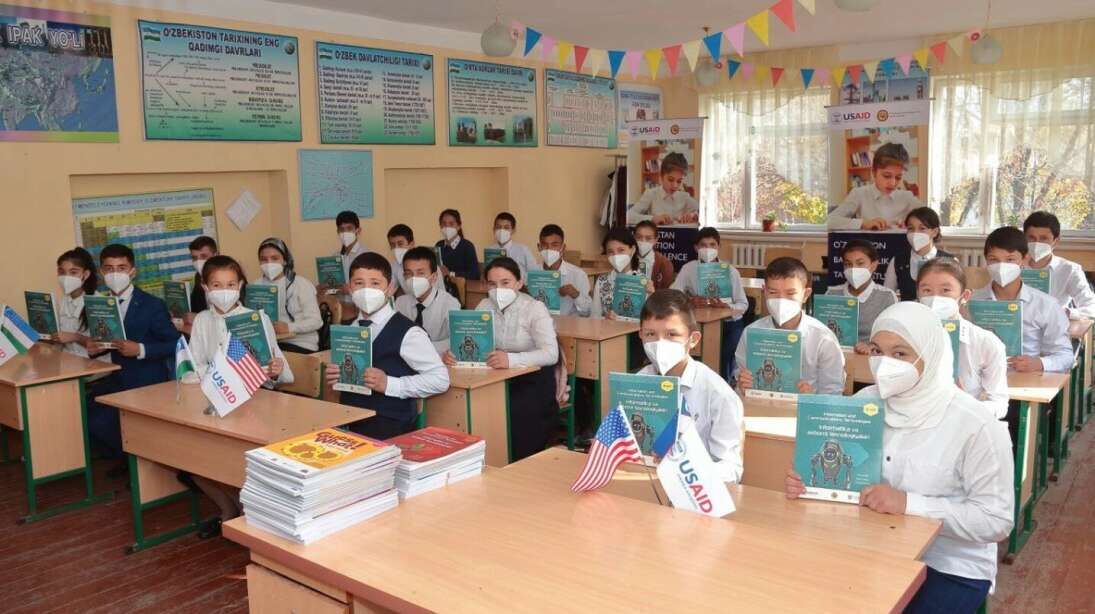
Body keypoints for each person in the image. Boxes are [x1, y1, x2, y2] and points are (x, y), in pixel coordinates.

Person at [785, 302, 1014, 614]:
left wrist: (909, 504)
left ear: (930, 354)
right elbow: (843, 473)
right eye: (877, 351)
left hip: (949, 565)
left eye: (900, 353)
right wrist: (808, 482)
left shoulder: (977, 425)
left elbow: (996, 520)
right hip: (867, 546)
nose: (884, 363)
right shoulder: (863, 405)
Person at [184, 254, 292, 536]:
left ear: (241, 285)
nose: (224, 291)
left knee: (239, 463)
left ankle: (249, 515)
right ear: (205, 287)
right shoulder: (202, 320)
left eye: (231, 284)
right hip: (214, 402)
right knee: (195, 461)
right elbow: (193, 366)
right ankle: (228, 510)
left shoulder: (256, 318)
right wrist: (213, 372)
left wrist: (275, 369)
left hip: (253, 403)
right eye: (216, 285)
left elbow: (279, 369)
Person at [443, 257, 558, 461]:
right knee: (472, 407)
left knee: (516, 414)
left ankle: (518, 464)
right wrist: (454, 354)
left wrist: (511, 360)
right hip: (494, 376)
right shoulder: (484, 305)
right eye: (492, 284)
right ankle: (484, 459)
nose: (498, 289)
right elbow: (472, 342)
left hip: (531, 378)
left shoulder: (534, 308)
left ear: (519, 283)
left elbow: (551, 353)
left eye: (505, 283)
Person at [326, 252, 449, 438]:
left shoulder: (409, 332)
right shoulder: (348, 330)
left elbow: (440, 379)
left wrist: (390, 384)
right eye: (359, 283)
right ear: (350, 288)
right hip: (350, 420)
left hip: (390, 426)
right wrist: (337, 375)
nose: (367, 290)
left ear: (390, 288)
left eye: (375, 283)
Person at [636, 289, 743, 482]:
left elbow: (731, 470)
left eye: (671, 334)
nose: (660, 343)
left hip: (694, 488)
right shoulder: (639, 382)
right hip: (645, 480)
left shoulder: (718, 394)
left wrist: (687, 466)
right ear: (641, 335)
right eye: (651, 334)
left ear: (693, 339)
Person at [85, 244, 177, 464]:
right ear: (101, 272)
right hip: (118, 377)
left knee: (106, 421)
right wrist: (96, 348)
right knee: (86, 412)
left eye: (121, 268)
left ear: (132, 271)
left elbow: (177, 343)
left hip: (147, 381)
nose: (115, 274)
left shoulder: (152, 305)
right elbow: (105, 340)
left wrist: (141, 349)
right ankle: (126, 460)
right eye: (109, 269)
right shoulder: (100, 305)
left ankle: (138, 462)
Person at [735, 257, 846, 395]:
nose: (781, 300)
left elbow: (833, 393)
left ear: (805, 294)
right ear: (764, 292)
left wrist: (812, 398)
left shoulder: (823, 338)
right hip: (760, 404)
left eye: (790, 293)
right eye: (773, 292)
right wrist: (741, 386)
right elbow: (740, 382)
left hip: (806, 407)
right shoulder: (751, 333)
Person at [971, 227, 1072, 375]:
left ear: (1025, 259)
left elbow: (1066, 356)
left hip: (1025, 379)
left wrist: (1040, 363)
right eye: (994, 259)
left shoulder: (1046, 305)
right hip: (981, 377)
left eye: (1010, 259)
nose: (1001, 266)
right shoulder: (972, 302)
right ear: (986, 260)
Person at [917, 258, 1008, 419]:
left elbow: (999, 403)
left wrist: (967, 407)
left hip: (963, 423)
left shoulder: (985, 342)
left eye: (945, 290)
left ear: (964, 295)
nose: (935, 298)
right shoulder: (904, 336)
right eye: (927, 290)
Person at [670, 227, 748, 378]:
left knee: (724, 354)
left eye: (712, 245)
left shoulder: (730, 271)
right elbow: (674, 294)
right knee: (689, 352)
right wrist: (690, 300)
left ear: (719, 247)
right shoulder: (688, 269)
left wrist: (727, 306)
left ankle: (724, 381)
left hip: (729, 323)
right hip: (699, 322)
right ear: (696, 248)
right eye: (703, 245)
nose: (708, 249)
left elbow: (743, 304)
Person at [827, 143, 923, 230]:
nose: (893, 183)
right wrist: (863, 223)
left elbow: (929, 219)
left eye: (898, 177)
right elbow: (830, 220)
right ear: (873, 172)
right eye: (886, 176)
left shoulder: (907, 197)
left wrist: (913, 225)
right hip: (868, 243)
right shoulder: (859, 194)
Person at [826, 239, 898, 354]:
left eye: (860, 263)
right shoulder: (831, 294)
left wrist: (872, 347)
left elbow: (893, 336)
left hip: (872, 357)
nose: (853, 269)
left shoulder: (887, 296)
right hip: (837, 355)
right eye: (848, 264)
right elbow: (824, 332)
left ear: (873, 265)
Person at [1022, 211, 1095, 319]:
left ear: (1056, 241)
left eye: (1044, 238)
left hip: (1054, 325)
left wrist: (1064, 312)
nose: (1037, 243)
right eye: (1031, 238)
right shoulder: (1012, 267)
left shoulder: (1069, 269)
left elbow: (1091, 307)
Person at [257, 238, 322, 354]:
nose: (269, 263)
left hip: (299, 344)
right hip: (269, 344)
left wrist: (289, 327)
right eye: (264, 259)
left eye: (275, 258)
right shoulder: (255, 287)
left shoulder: (301, 284)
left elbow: (316, 321)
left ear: (285, 260)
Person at [394, 246, 460, 354]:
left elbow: (456, 339)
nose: (414, 279)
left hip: (438, 358)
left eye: (420, 273)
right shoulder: (400, 303)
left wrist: (423, 348)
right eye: (409, 273)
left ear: (434, 277)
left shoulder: (450, 304)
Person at [884, 207, 955, 300]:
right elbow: (887, 295)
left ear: (934, 232)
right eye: (911, 228)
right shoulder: (898, 261)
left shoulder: (950, 261)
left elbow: (955, 295)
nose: (915, 233)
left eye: (922, 228)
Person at [590, 227, 654, 319]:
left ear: (632, 250)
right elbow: (594, 316)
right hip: (608, 328)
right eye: (610, 252)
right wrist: (605, 319)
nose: (616, 255)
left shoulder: (643, 281)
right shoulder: (602, 281)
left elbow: (650, 318)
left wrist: (651, 296)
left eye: (621, 250)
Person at [627, 152, 699, 226]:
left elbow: (702, 211)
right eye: (670, 180)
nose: (675, 185)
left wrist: (694, 215)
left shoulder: (684, 197)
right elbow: (628, 216)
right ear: (661, 177)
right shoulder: (651, 194)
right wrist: (652, 219)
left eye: (679, 181)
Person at [534, 224, 591, 317]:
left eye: (554, 245)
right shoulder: (531, 273)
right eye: (545, 245)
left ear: (563, 248)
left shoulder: (578, 275)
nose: (549, 249)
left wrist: (575, 294)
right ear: (539, 247)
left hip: (568, 324)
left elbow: (587, 312)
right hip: (538, 323)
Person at [53, 247, 98, 357]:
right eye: (62, 272)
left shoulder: (98, 302)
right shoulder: (63, 301)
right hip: (68, 360)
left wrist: (75, 337)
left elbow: (104, 345)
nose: (66, 277)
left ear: (85, 274)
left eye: (73, 272)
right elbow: (60, 338)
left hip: (94, 363)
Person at [485, 212, 536, 279]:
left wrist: (519, 280)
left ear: (513, 230)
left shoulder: (523, 250)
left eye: (506, 228)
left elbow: (534, 273)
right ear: (493, 229)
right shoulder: (489, 250)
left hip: (519, 285)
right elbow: (486, 274)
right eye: (498, 227)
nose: (502, 230)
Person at [435, 208, 479, 280]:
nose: (447, 227)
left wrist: (450, 274)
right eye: (444, 224)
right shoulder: (439, 245)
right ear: (440, 226)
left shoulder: (467, 246)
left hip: (462, 286)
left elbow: (475, 274)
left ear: (459, 226)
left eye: (451, 224)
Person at [633, 220, 675, 290]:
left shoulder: (664, 264)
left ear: (656, 240)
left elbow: (665, 292)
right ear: (634, 237)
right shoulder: (627, 259)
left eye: (648, 238)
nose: (643, 241)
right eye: (639, 237)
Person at [187, 236, 218, 318]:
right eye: (194, 258)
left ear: (215, 255)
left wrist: (198, 318)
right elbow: (195, 307)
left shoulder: (229, 276)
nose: (198, 261)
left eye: (203, 256)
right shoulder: (198, 277)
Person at [387, 223, 416, 294]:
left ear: (411, 244)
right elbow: (390, 288)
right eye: (392, 245)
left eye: (400, 244)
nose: (396, 248)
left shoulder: (426, 262)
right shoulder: (395, 265)